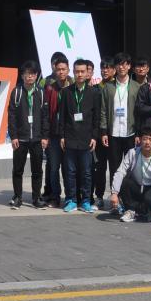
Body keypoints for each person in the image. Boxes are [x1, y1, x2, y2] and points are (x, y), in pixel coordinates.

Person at [58, 60, 101, 213]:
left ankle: (86, 201)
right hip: (70, 138)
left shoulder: (94, 93)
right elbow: (62, 116)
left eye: (83, 71)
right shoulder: (66, 92)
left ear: (87, 72)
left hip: (86, 139)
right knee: (70, 172)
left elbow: (96, 118)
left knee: (87, 173)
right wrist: (62, 136)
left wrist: (94, 137)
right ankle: (71, 200)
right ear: (73, 72)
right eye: (77, 72)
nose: (80, 74)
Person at [99, 53, 140, 210]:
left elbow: (139, 113)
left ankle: (129, 201)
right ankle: (115, 201)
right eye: (119, 64)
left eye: (125, 64)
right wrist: (104, 132)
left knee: (131, 169)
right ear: (115, 67)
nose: (122, 67)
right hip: (113, 134)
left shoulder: (136, 86)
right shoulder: (108, 87)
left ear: (129, 66)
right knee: (114, 168)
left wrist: (138, 133)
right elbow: (103, 111)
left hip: (131, 134)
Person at [7, 61, 49, 209]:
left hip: (37, 139)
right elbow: (11, 116)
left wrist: (45, 136)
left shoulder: (41, 92)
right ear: (22, 76)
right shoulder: (16, 92)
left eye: (32, 74)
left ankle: (36, 198)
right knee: (17, 170)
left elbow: (45, 117)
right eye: (26, 74)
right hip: (21, 139)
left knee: (37, 171)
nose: (29, 76)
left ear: (36, 76)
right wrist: (13, 136)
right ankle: (17, 197)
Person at [109, 127, 151, 223]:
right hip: (135, 186)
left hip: (150, 188)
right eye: (145, 139)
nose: (147, 142)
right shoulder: (132, 153)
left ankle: (144, 211)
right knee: (124, 182)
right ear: (140, 140)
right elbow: (120, 172)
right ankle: (130, 210)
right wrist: (114, 193)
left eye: (150, 139)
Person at [41, 54, 71, 207]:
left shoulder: (73, 87)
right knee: (53, 168)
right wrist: (45, 135)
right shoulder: (50, 88)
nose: (61, 72)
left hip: (70, 135)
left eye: (63, 69)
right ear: (55, 70)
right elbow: (46, 114)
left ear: (68, 69)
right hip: (53, 135)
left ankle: (70, 197)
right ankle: (54, 197)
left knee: (68, 169)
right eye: (58, 69)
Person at [90, 59, 114, 209]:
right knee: (100, 167)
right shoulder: (95, 89)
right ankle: (99, 197)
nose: (105, 70)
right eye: (103, 68)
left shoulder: (118, 86)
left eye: (108, 68)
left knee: (115, 168)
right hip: (100, 135)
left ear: (114, 70)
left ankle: (115, 197)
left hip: (115, 134)